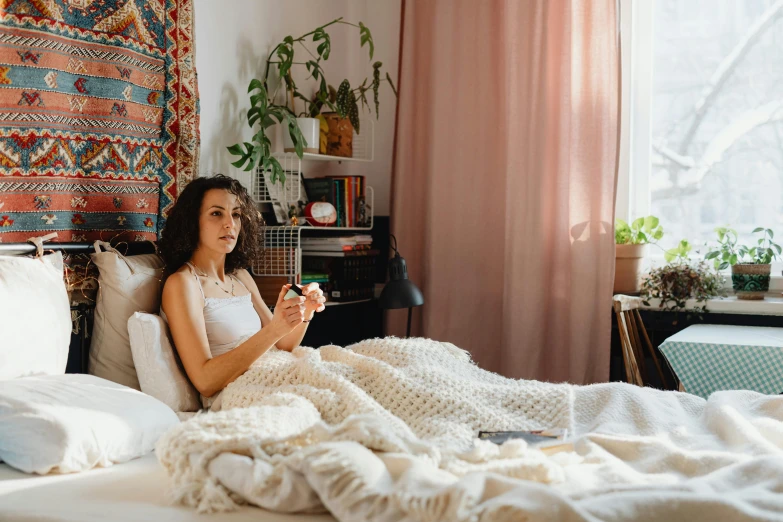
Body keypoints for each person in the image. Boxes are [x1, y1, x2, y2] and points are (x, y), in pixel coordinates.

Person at [159, 174, 325, 402]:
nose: (230, 224)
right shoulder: (183, 284)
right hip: (243, 392)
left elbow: (283, 344)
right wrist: (275, 329)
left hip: (277, 372)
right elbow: (205, 381)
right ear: (192, 221)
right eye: (216, 213)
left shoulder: (241, 277)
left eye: (236, 214)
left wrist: (304, 310)